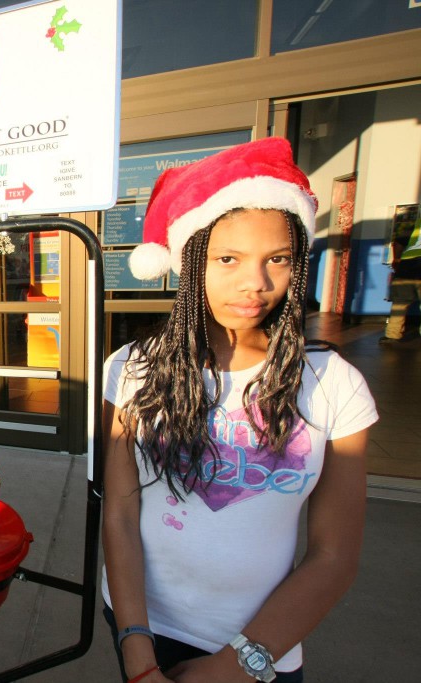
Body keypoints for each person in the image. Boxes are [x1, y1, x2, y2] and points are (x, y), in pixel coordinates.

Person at [102, 138, 378, 683]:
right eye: (228, 259)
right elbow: (120, 514)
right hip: (142, 627)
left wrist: (236, 664)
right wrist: (137, 655)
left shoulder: (334, 386)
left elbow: (333, 556)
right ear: (191, 261)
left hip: (262, 650)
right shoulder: (132, 368)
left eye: (277, 259)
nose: (255, 282)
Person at [380, 210, 421, 343]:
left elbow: (397, 243)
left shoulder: (413, 225)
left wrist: (397, 259)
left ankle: (393, 335)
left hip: (406, 269)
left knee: (400, 304)